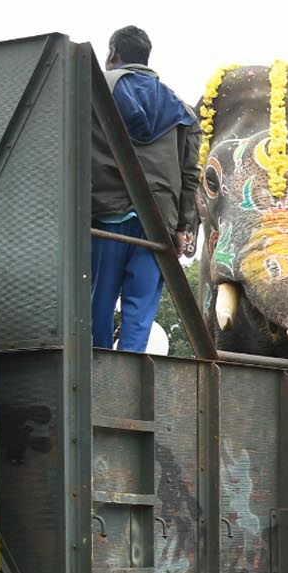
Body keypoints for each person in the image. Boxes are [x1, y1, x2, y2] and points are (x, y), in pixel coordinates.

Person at [90, 26, 201, 352]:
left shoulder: (93, 89)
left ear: (113, 54)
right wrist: (181, 227)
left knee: (96, 301)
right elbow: (190, 175)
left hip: (103, 216)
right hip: (157, 222)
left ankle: (96, 366)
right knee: (139, 311)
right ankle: (128, 371)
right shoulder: (182, 109)